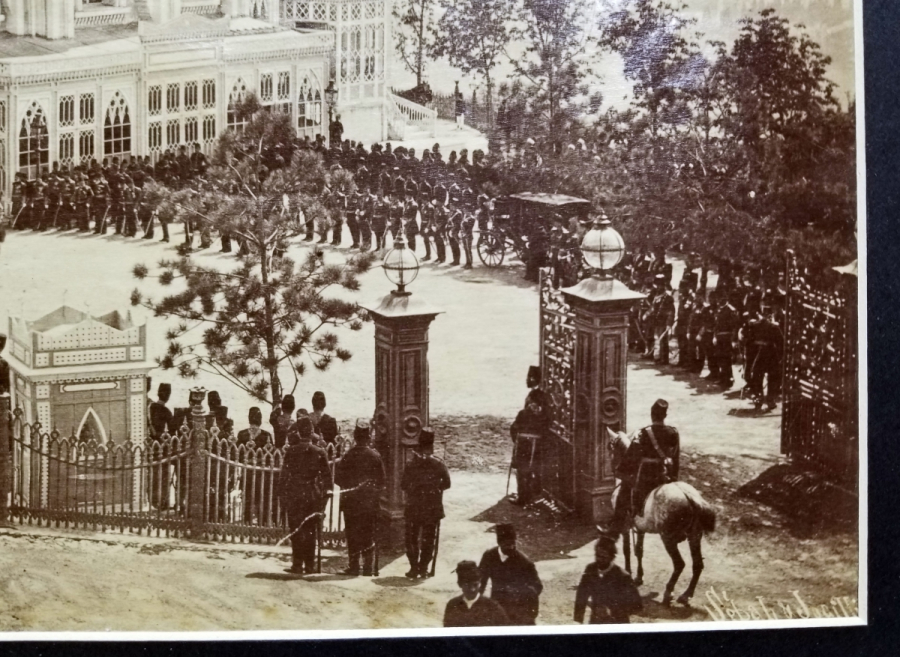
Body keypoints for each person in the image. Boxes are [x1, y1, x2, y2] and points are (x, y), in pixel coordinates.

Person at [608, 399, 680, 536]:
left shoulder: (643, 433)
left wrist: (621, 471)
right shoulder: (673, 433)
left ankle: (615, 528)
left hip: (645, 479)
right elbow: (675, 459)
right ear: (665, 415)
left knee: (624, 491)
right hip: (664, 477)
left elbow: (631, 457)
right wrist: (673, 478)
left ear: (652, 414)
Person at [278, 419, 333, 575]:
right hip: (312, 494)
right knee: (310, 530)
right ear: (311, 432)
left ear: (298, 432)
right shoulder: (320, 451)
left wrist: (282, 496)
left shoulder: (291, 451)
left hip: (294, 493)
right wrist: (324, 499)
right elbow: (328, 479)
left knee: (296, 530)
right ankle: (309, 565)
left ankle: (297, 564)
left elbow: (284, 476)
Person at [334, 419, 386, 576]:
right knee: (368, 534)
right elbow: (382, 481)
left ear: (355, 436)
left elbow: (338, 479)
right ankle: (368, 567)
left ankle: (354, 566)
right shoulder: (375, 456)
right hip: (369, 504)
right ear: (368, 437)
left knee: (352, 534)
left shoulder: (349, 456)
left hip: (351, 503)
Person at [401, 427, 451, 579]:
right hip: (432, 507)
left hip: (414, 506)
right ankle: (424, 568)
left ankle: (414, 567)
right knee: (429, 538)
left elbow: (403, 485)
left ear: (419, 443)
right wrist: (435, 490)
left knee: (412, 537)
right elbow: (447, 484)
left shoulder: (411, 464)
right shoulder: (439, 464)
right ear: (432, 445)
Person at [478, 524, 543, 625]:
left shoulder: (524, 562)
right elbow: (480, 580)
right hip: (497, 606)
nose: (511, 548)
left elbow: (537, 586)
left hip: (518, 609)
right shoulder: (489, 556)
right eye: (507, 544)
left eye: (513, 544)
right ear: (499, 543)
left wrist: (522, 594)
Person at [574, 535, 642, 624]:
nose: (599, 559)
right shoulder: (590, 569)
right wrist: (578, 619)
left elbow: (637, 605)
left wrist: (612, 611)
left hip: (618, 623)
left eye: (603, 557)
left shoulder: (622, 576)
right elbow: (581, 594)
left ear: (612, 558)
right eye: (597, 555)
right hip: (596, 622)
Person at [444, 561, 510, 627]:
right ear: (460, 584)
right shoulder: (452, 605)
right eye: (467, 585)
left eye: (475, 585)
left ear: (480, 583)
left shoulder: (492, 607)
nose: (472, 589)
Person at [509, 395, 549, 506]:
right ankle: (533, 495)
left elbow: (514, 428)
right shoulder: (545, 415)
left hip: (524, 445)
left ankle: (523, 498)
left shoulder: (523, 413)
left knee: (522, 471)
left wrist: (516, 441)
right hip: (537, 447)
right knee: (534, 470)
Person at [147, 383, 174, 510]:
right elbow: (173, 431)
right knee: (163, 476)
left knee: (153, 475)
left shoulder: (150, 407)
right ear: (168, 395)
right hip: (163, 447)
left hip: (150, 445)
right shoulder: (166, 411)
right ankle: (162, 503)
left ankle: (152, 501)